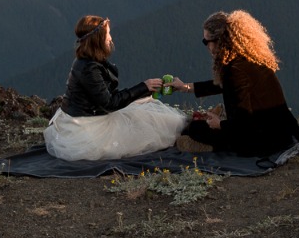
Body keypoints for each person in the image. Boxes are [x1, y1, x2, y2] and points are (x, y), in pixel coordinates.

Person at [44, 15, 190, 162]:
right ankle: (193, 138)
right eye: (107, 34)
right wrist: (143, 86)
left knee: (160, 121)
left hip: (90, 116)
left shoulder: (89, 61)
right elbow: (110, 103)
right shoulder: (89, 68)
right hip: (88, 127)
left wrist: (147, 89)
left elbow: (106, 97)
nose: (110, 38)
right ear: (98, 39)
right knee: (154, 128)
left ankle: (190, 133)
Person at [167, 10, 299, 157]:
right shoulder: (250, 59)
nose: (206, 46)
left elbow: (244, 123)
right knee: (200, 125)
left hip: (263, 141)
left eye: (206, 41)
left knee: (194, 128)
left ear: (219, 41)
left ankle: (207, 146)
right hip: (284, 132)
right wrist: (185, 87)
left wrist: (219, 124)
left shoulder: (235, 71)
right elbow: (222, 85)